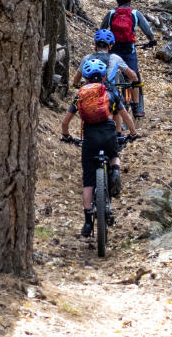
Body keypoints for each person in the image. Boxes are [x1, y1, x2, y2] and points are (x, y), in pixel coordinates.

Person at [60, 58, 123, 238]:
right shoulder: (110, 94)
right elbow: (123, 116)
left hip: (89, 140)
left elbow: (65, 122)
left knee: (88, 181)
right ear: (104, 77)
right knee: (114, 154)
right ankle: (116, 170)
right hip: (109, 135)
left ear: (85, 79)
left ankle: (88, 221)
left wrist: (66, 136)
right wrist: (127, 133)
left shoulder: (80, 95)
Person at [72, 29, 140, 139]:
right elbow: (132, 75)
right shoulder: (115, 58)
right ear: (111, 45)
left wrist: (76, 84)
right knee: (118, 109)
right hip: (109, 92)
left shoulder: (86, 58)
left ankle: (84, 136)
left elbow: (76, 79)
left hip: (88, 93)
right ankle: (119, 134)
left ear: (95, 44)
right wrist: (133, 81)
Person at [100, 0, 156, 117]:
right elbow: (147, 30)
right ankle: (137, 108)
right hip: (128, 50)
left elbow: (102, 30)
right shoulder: (135, 13)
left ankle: (106, 101)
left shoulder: (111, 13)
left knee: (109, 76)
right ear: (130, 0)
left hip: (113, 51)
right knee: (134, 77)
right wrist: (152, 40)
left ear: (117, 0)